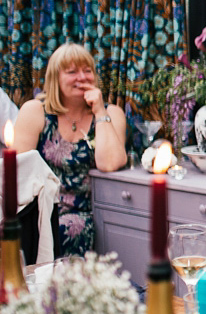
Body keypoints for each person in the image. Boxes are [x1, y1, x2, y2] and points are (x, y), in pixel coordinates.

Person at [13, 43, 127, 256]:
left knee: (68, 227)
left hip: (84, 214)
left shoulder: (112, 114)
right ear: (55, 79)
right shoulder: (36, 111)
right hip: (39, 210)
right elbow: (20, 173)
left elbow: (109, 163)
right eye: (72, 71)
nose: (82, 77)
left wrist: (99, 110)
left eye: (87, 71)